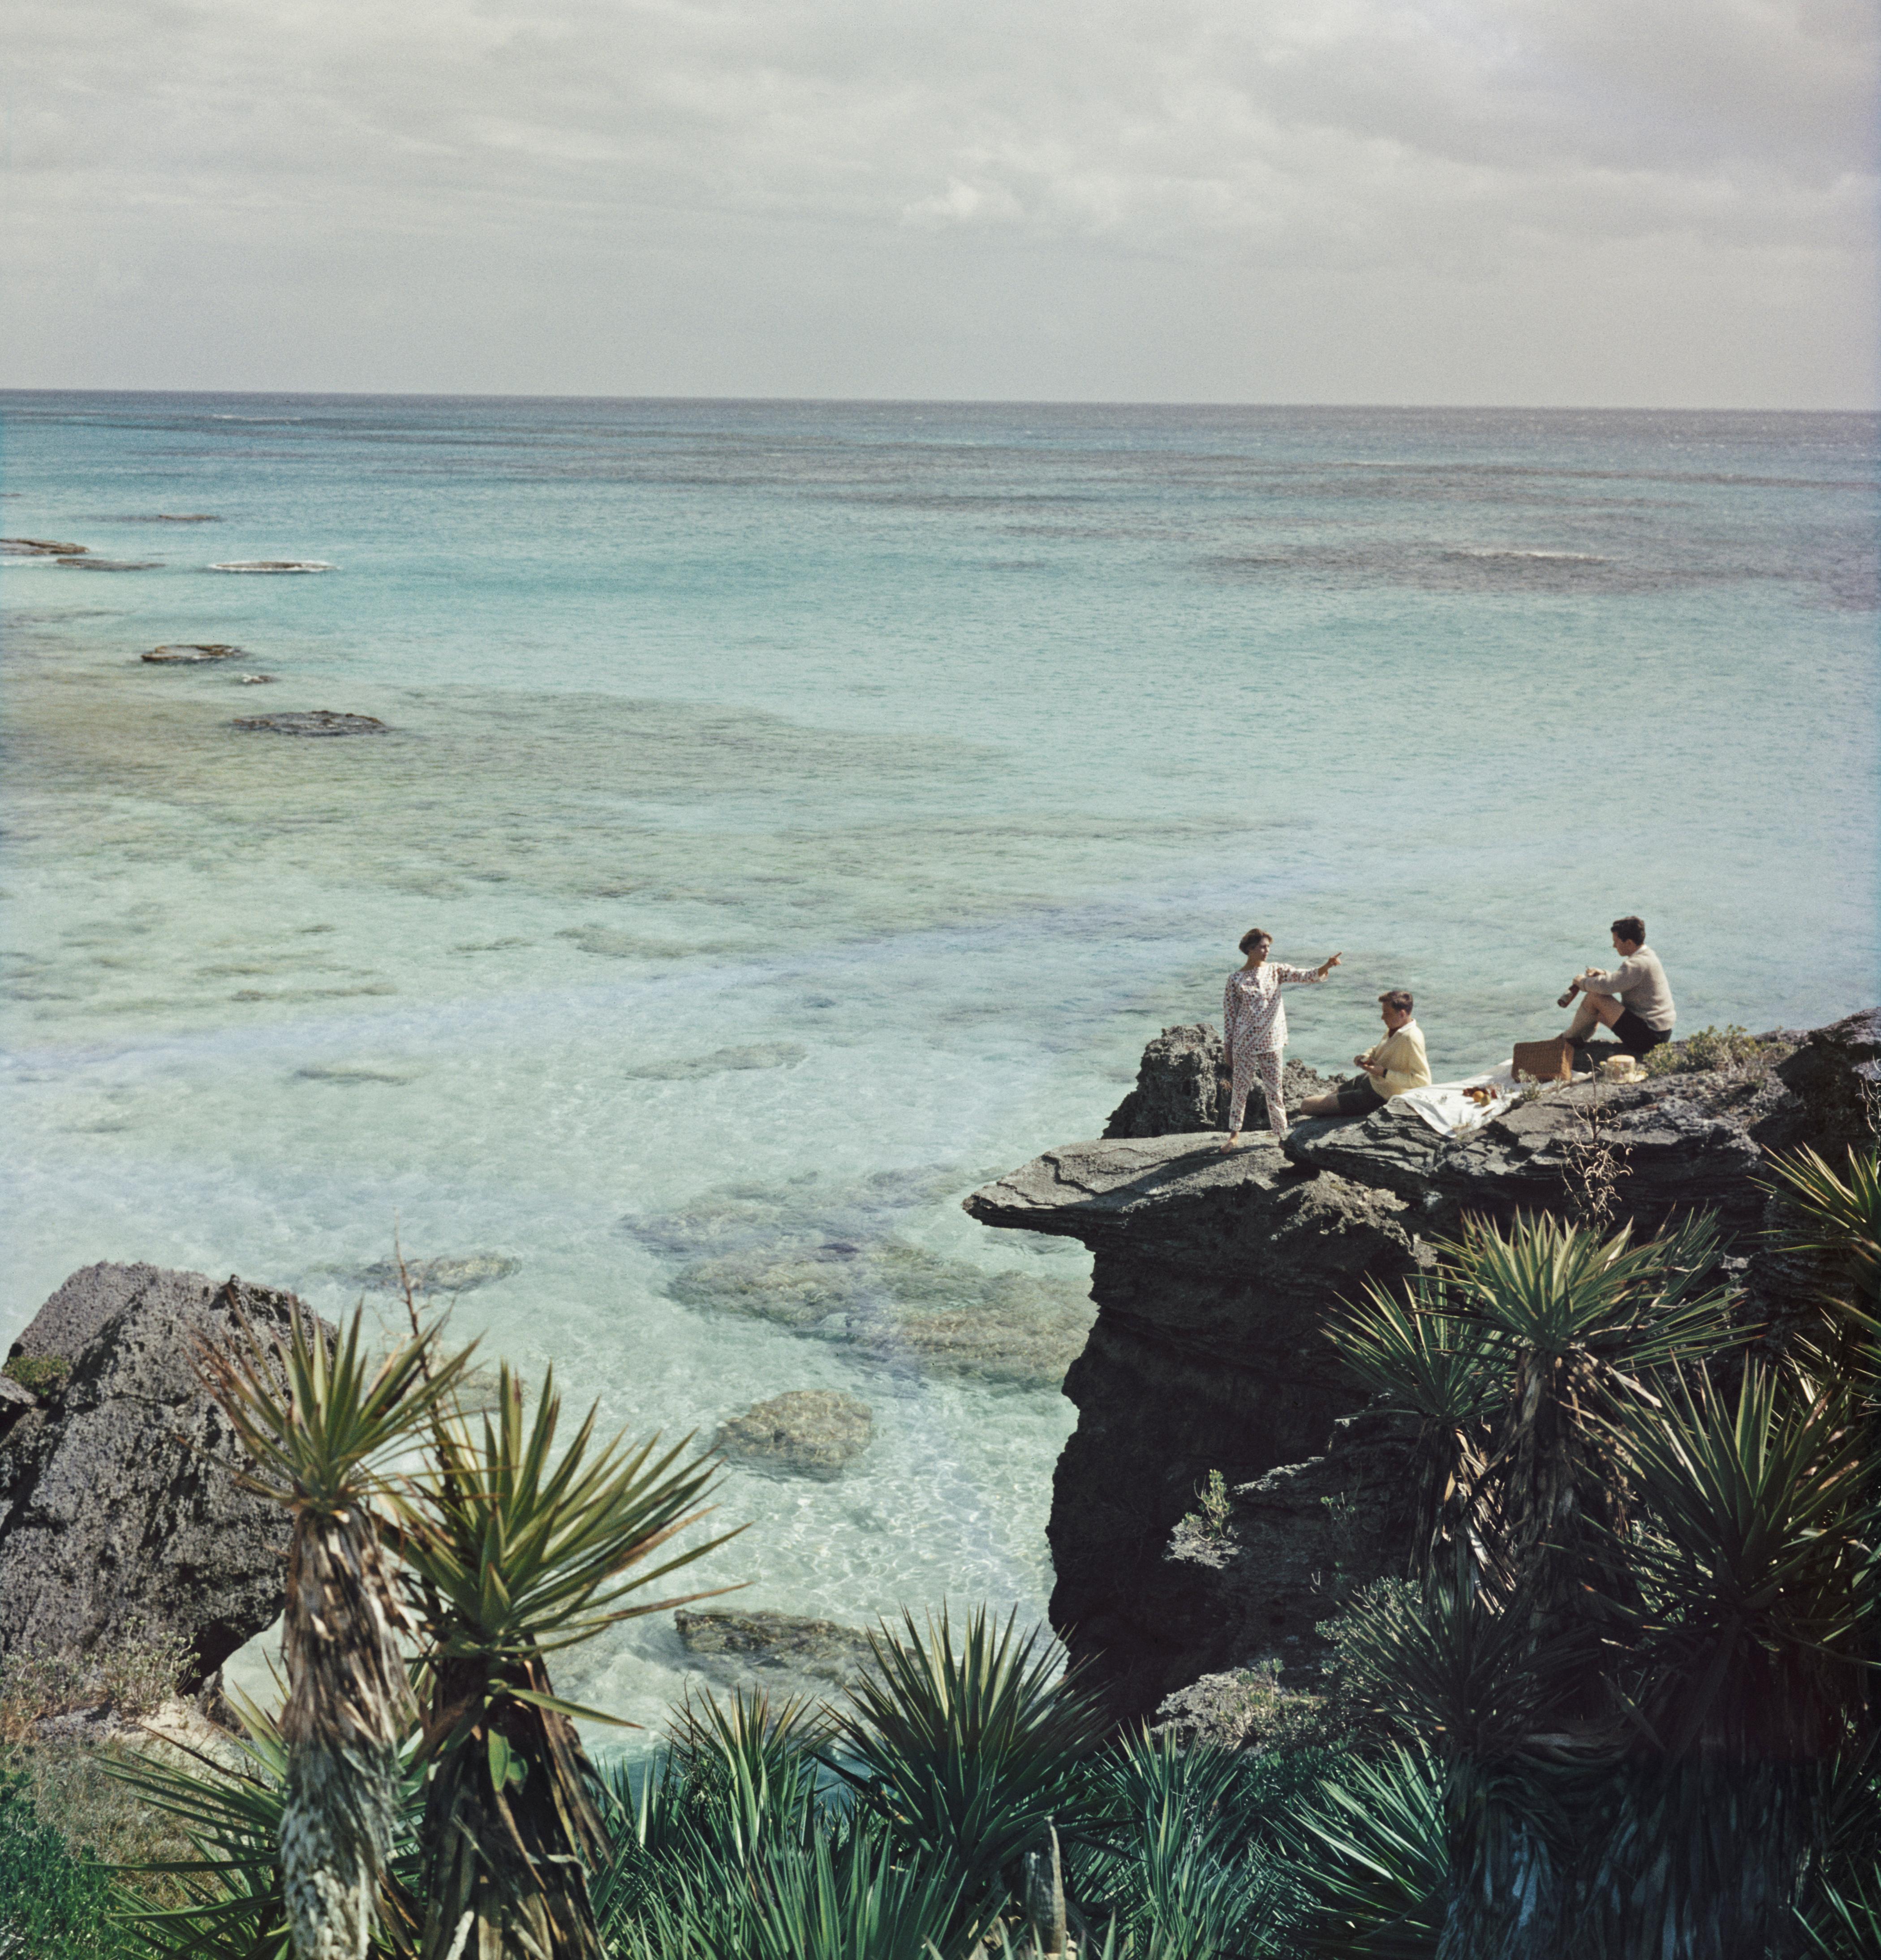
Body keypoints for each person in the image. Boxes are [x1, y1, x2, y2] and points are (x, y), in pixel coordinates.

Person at [1221, 929, 1343, 1149]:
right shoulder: (1235, 979)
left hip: (1272, 1042)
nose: (1267, 951)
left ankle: (1281, 1135)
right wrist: (1227, 1048)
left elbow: (1304, 976)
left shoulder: (1276, 970)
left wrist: (1326, 966)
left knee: (1275, 1090)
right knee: (1240, 1089)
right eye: (1262, 947)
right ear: (1250, 949)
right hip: (1244, 1044)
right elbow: (1230, 1017)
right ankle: (1234, 1135)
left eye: (1268, 947)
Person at [1300, 990, 1431, 1119]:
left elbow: (1423, 1081)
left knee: (1307, 1106)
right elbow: (1380, 1049)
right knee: (1326, 1099)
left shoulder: (1411, 1038)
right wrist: (1367, 1056)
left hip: (1377, 1096)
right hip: (1369, 1080)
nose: (1382, 1017)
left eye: (1386, 1013)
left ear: (1402, 1014)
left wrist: (1384, 1073)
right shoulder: (1396, 1028)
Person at [1559, 915, 1676, 1057]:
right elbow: (1624, 981)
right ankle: (1577, 1040)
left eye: (1616, 942)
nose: (1614, 946)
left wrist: (1582, 982)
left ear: (1629, 943)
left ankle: (1568, 1038)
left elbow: (1608, 986)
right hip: (1660, 1033)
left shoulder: (1637, 964)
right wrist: (1603, 973)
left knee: (1595, 997)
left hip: (1649, 1037)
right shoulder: (1648, 955)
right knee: (1597, 1007)